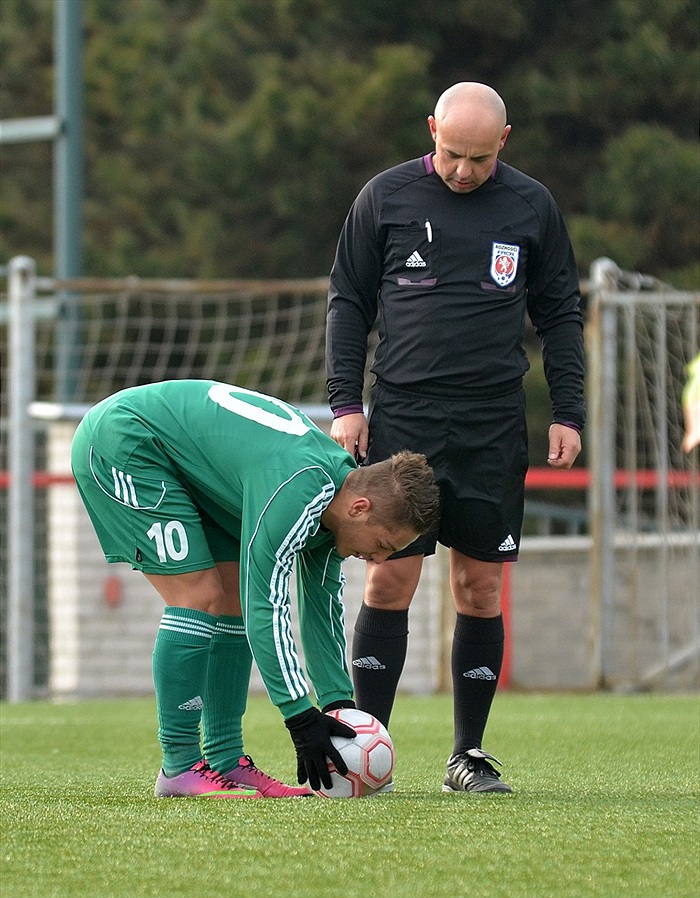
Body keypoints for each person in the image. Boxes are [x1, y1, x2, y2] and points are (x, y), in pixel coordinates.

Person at [326, 82, 585, 793]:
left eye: (477, 158)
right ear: (431, 129)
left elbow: (561, 311)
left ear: (503, 142)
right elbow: (348, 298)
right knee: (391, 575)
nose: (462, 170)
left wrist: (569, 411)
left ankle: (467, 754)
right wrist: (345, 401)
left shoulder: (530, 205)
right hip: (404, 417)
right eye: (450, 153)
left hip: (492, 423)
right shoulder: (384, 197)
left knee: (479, 585)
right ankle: (361, 753)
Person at [70, 379, 439, 798]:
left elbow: (322, 610)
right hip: (127, 441)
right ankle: (180, 767)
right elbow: (267, 601)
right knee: (199, 596)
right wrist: (300, 717)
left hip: (187, 468)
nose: (376, 560)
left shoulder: (336, 500)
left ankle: (226, 760)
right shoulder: (297, 490)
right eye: (383, 546)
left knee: (230, 605)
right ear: (360, 509)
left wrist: (337, 703)